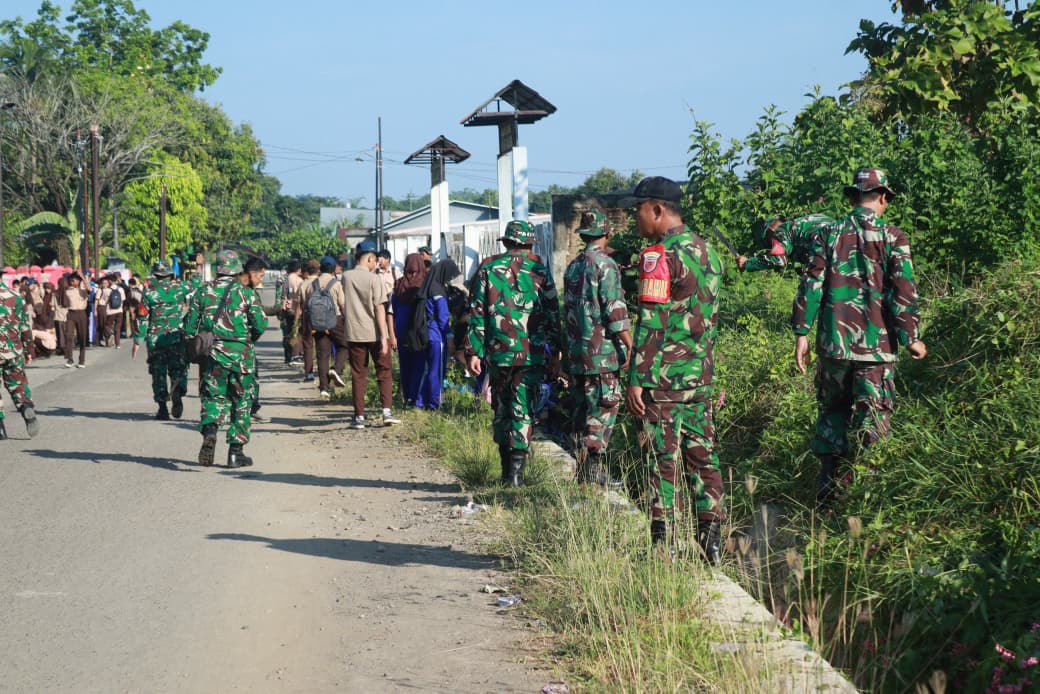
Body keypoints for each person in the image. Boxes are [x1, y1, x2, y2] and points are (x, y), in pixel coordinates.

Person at [793, 167, 927, 503]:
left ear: (853, 197)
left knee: (832, 412)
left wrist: (801, 333)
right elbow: (903, 291)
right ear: (883, 197)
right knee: (874, 416)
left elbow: (811, 284)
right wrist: (911, 336)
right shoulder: (895, 237)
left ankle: (826, 488)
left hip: (833, 348)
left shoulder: (828, 233)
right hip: (876, 351)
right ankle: (866, 495)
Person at [620, 176, 725, 564]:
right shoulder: (710, 253)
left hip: (663, 381)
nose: (636, 218)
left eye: (639, 210)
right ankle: (711, 544)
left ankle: (661, 547)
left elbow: (651, 322)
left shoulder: (658, 256)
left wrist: (637, 379)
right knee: (703, 458)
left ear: (659, 210)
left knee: (660, 459)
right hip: (701, 378)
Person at [466, 220, 561, 486]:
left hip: (498, 353)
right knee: (523, 410)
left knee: (502, 407)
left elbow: (476, 312)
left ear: (507, 243)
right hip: (531, 355)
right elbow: (553, 314)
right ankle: (515, 476)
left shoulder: (487, 270)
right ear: (529, 244)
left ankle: (507, 469)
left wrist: (473, 351)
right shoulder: (540, 271)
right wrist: (557, 353)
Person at [563, 208, 633, 486]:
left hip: (578, 354)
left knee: (583, 411)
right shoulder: (605, 265)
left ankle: (584, 471)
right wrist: (631, 346)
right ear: (606, 233)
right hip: (602, 355)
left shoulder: (574, 266)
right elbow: (615, 311)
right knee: (602, 411)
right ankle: (591, 473)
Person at [184, 250, 268, 468]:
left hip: (212, 356)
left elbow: (189, 326)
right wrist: (248, 340)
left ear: (218, 268)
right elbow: (260, 324)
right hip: (241, 357)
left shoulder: (203, 292)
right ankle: (235, 453)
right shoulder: (246, 293)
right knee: (241, 402)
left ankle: (210, 432)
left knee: (213, 399)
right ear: (236, 268)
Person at [341, 241, 399, 429]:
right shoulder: (375, 279)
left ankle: (359, 417)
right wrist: (385, 337)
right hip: (374, 332)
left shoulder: (346, 277)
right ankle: (386, 412)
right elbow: (379, 308)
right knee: (384, 371)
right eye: (375, 260)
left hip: (354, 333)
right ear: (370, 258)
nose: (376, 264)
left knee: (358, 374)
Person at [132, 262, 189, 420]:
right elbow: (196, 284)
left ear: (154, 275)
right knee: (178, 369)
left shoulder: (149, 293)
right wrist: (198, 268)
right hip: (176, 336)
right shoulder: (179, 289)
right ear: (170, 275)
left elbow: (142, 318)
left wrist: (137, 340)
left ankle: (162, 407)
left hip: (156, 339)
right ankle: (177, 393)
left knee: (159, 373)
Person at [411, 258, 460, 410]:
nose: (449, 280)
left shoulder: (427, 286)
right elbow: (443, 317)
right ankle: (435, 402)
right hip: (437, 335)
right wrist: (450, 336)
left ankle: (420, 401)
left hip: (425, 333)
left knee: (426, 369)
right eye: (449, 276)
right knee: (436, 370)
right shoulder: (438, 290)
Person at [298, 255, 348, 399]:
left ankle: (324, 387)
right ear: (333, 269)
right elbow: (342, 305)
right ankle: (336, 369)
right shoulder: (336, 284)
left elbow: (306, 304)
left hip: (317, 322)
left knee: (322, 354)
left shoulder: (312, 284)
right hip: (335, 320)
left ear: (321, 269)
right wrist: (346, 319)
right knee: (344, 345)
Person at [0, 276, 40, 440]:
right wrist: (29, 349)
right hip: (13, 350)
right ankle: (25, 408)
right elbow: (25, 325)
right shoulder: (16, 296)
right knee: (18, 385)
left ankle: (1, 429)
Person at [737, 213, 834, 273]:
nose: (771, 246)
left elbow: (779, 259)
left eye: (769, 243)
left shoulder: (781, 231)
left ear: (769, 231)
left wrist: (748, 263)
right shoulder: (812, 220)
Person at [393, 253, 427, 407]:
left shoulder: (400, 284)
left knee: (411, 365)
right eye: (410, 271)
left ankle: (411, 397)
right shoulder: (422, 284)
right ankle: (411, 398)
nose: (412, 275)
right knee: (412, 365)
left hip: (409, 330)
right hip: (411, 331)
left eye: (414, 272)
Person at [63, 272, 90, 368]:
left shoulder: (83, 290)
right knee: (68, 335)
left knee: (82, 337)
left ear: (78, 281)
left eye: (73, 280)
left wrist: (82, 276)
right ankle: (70, 359)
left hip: (81, 314)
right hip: (71, 313)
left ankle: (81, 360)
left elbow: (89, 288)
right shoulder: (67, 291)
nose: (71, 281)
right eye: (70, 280)